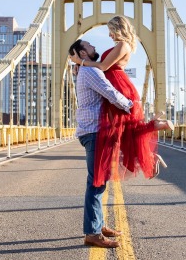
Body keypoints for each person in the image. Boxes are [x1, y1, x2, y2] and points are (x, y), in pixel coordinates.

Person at [70, 15, 172, 187]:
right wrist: (81, 67)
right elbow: (102, 67)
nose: (109, 35)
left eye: (111, 31)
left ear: (118, 28)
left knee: (123, 130)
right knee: (121, 132)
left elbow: (102, 67)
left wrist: (81, 61)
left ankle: (156, 127)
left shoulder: (123, 45)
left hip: (119, 87)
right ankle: (151, 149)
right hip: (115, 85)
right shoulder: (119, 46)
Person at [68, 39, 132, 248]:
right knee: (96, 184)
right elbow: (110, 93)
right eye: (90, 45)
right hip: (95, 132)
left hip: (92, 131)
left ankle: (99, 224)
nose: (94, 47)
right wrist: (130, 105)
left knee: (99, 182)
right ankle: (92, 233)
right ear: (83, 53)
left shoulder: (85, 70)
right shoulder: (90, 72)